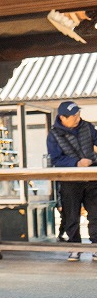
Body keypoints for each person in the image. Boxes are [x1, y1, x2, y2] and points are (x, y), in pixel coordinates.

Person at [46, 100, 97, 261]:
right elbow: (56, 159)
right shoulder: (53, 135)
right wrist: (76, 163)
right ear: (62, 117)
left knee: (95, 213)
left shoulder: (88, 127)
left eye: (78, 114)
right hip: (70, 180)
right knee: (71, 215)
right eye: (74, 116)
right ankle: (75, 247)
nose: (77, 118)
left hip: (92, 178)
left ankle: (96, 246)